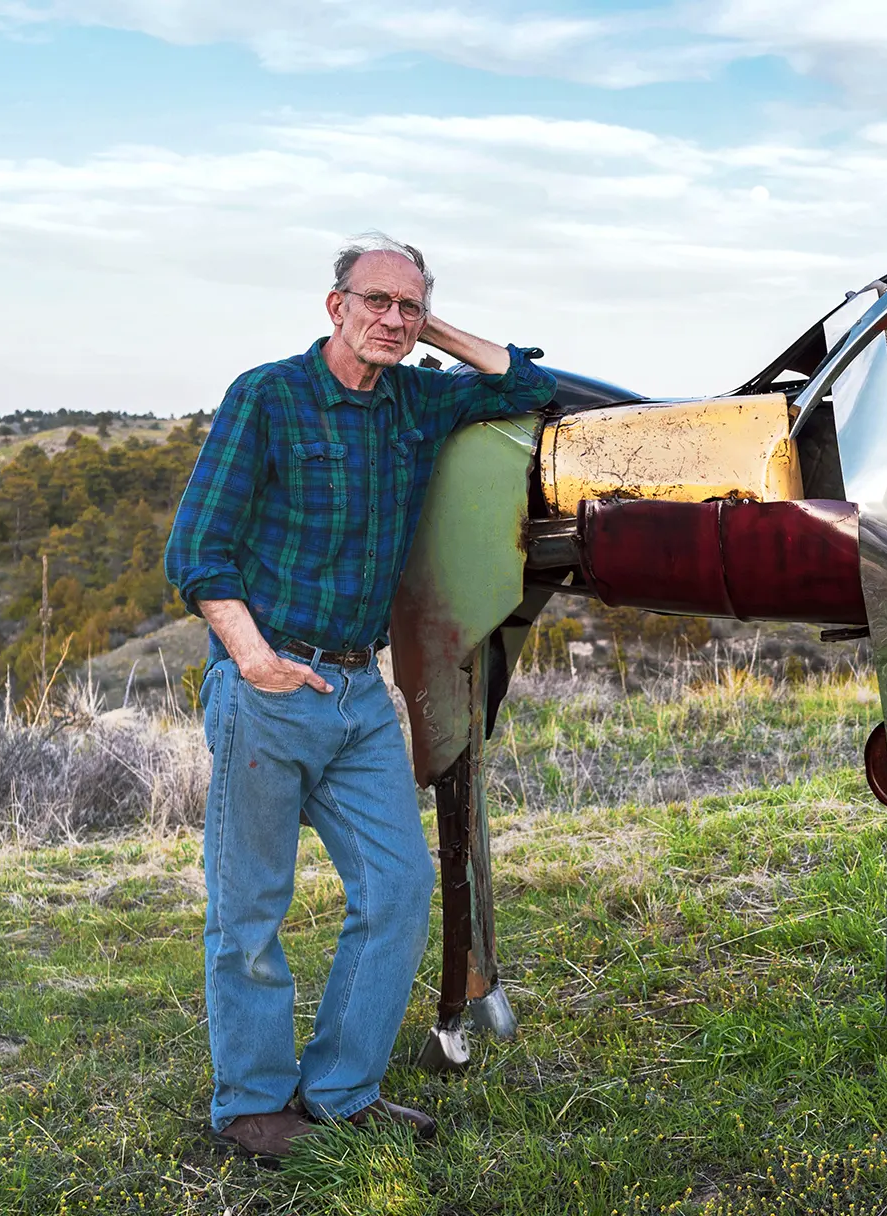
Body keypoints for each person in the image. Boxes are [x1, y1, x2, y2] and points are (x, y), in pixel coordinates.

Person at [164, 234, 557, 1162]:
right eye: (373, 301)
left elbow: (527, 387)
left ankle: (341, 1092)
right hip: (271, 687)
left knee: (398, 887)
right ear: (331, 305)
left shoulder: (416, 401)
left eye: (406, 307)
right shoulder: (268, 395)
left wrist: (429, 332)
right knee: (249, 908)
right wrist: (252, 659)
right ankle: (252, 1107)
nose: (389, 319)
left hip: (358, 690)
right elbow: (199, 549)